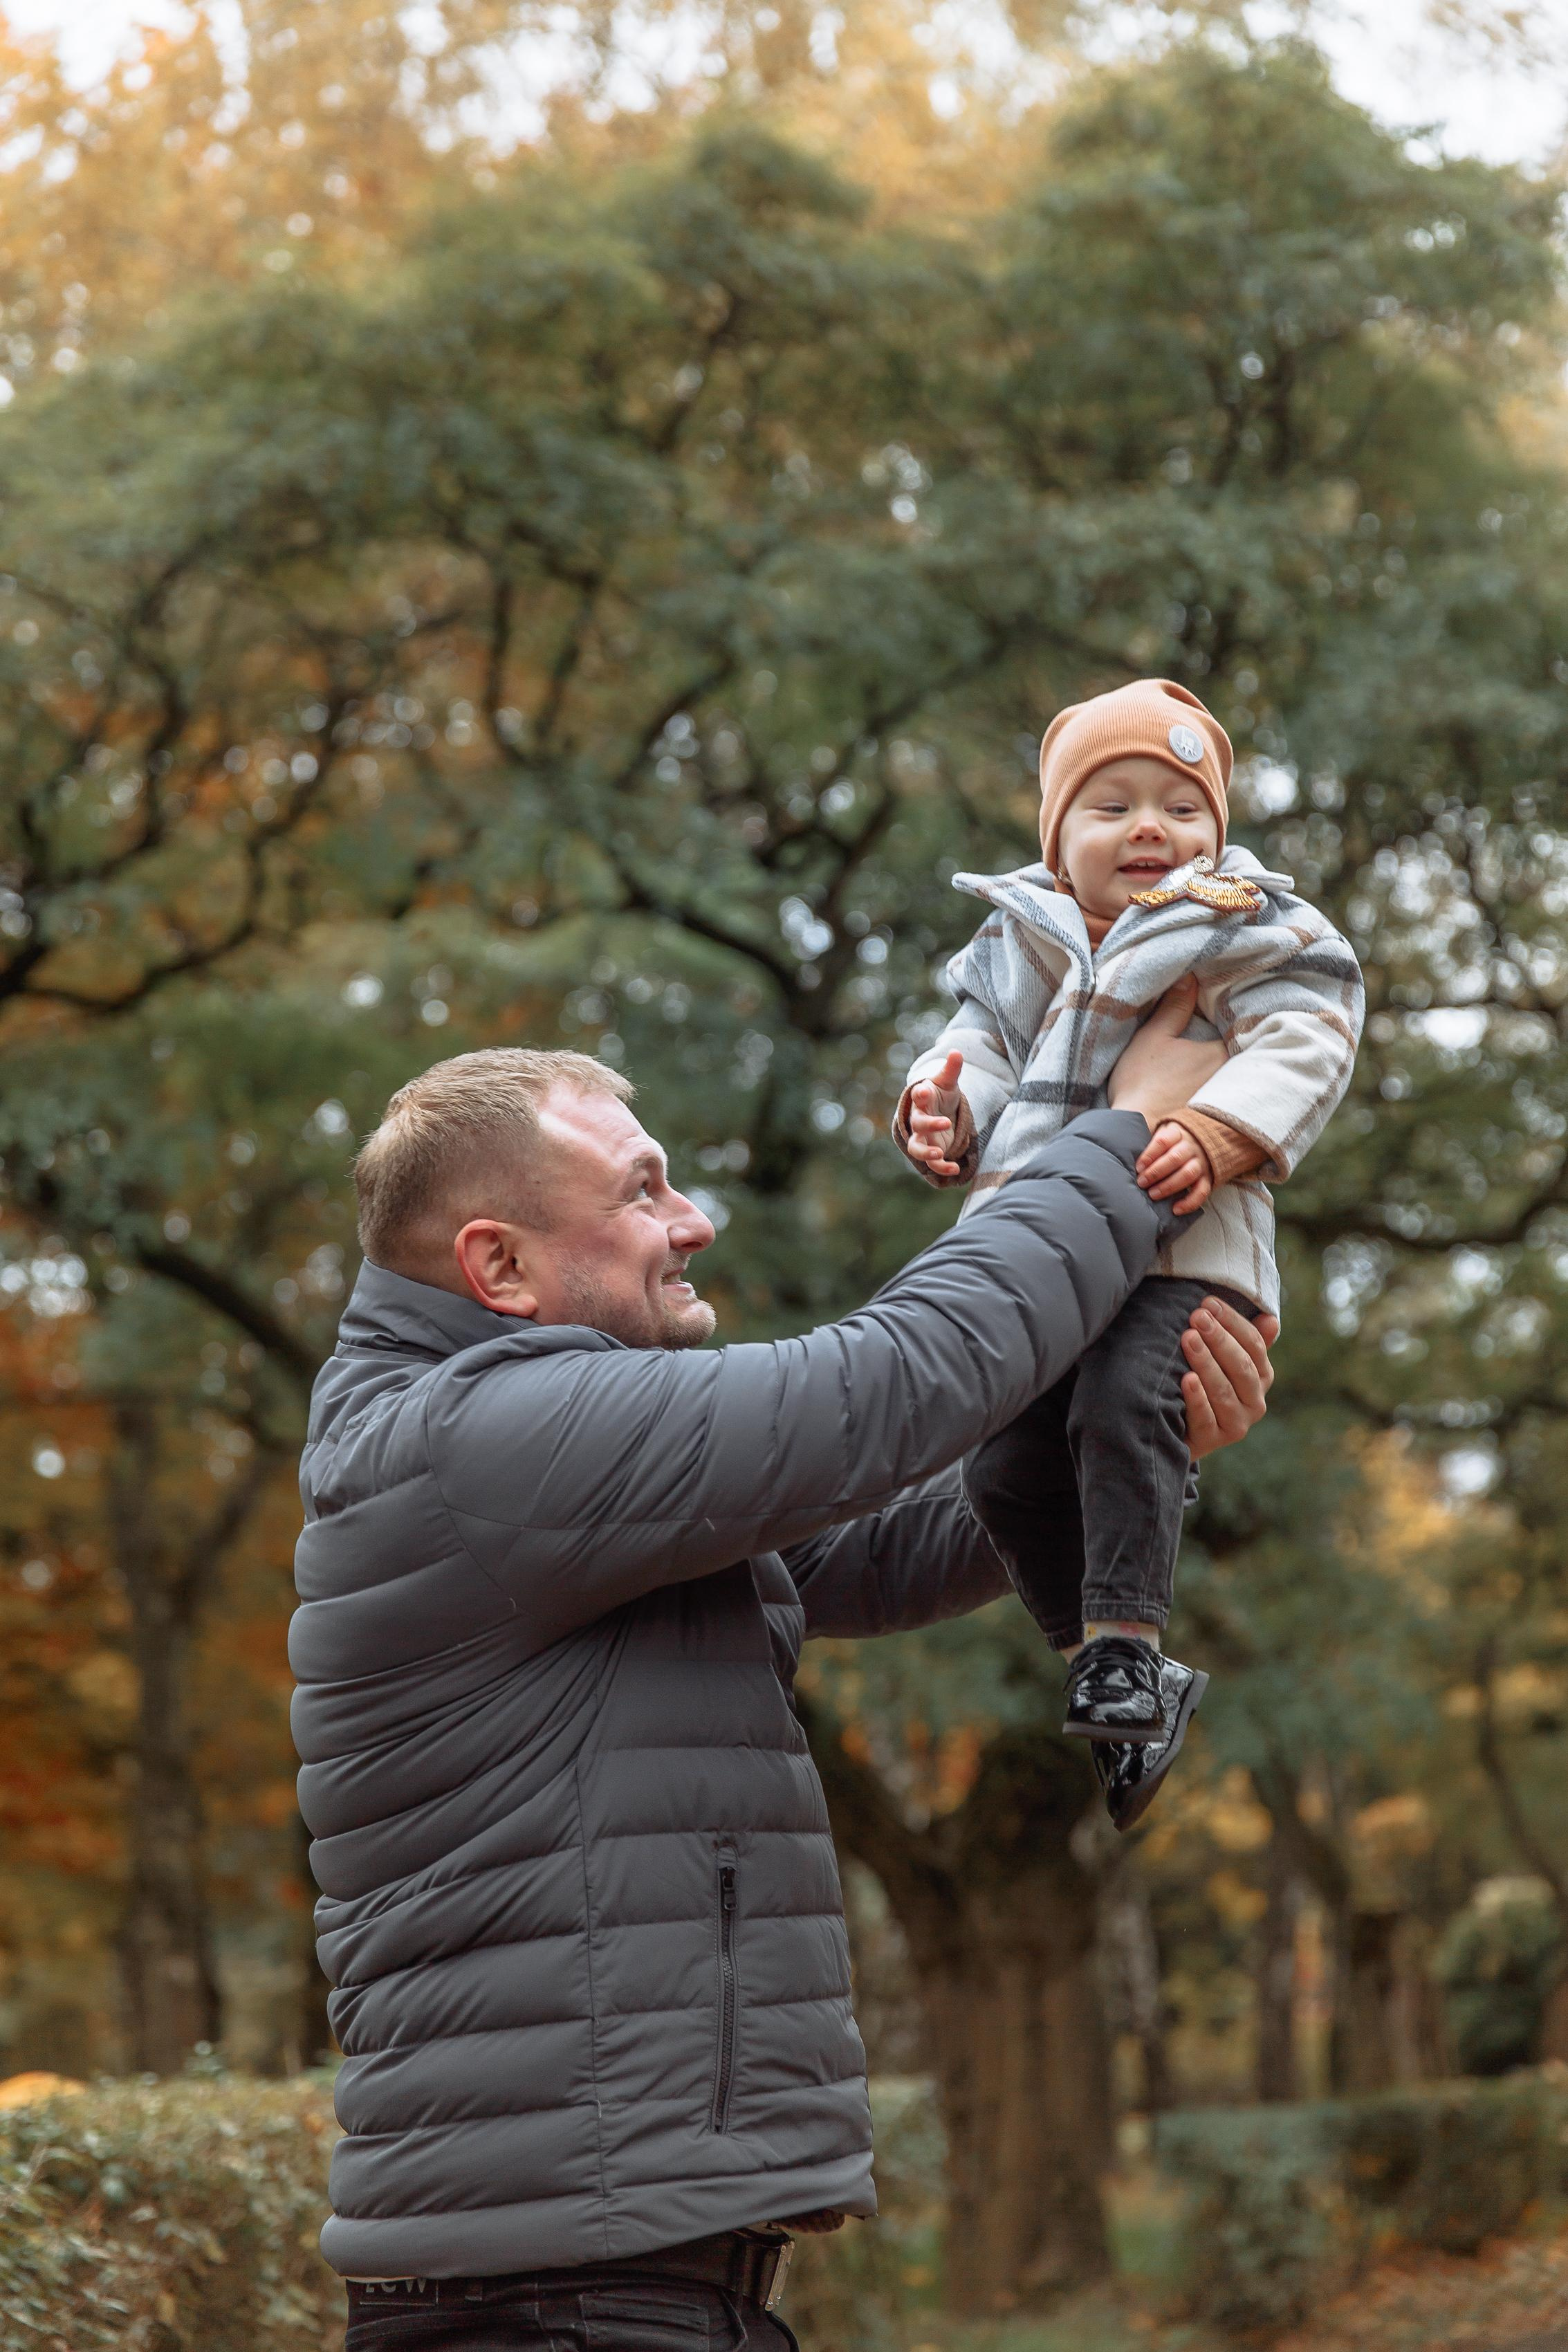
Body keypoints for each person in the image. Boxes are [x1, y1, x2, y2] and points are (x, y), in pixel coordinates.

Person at [290, 1020, 1275, 2351]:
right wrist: (1123, 1137)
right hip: (554, 2305)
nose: (693, 1222)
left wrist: (1128, 1444)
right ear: (499, 1266)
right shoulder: (479, 1442)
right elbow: (881, 1389)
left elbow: (887, 1536)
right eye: (642, 1191)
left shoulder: (539, 1465)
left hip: (598, 2287)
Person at [895, 677, 1363, 1826]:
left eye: (1180, 806)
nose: (1152, 827)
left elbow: (1310, 1029)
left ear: (1217, 831)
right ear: (1058, 847)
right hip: (1034, 1261)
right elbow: (976, 1050)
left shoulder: (1246, 917)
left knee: (1117, 1409)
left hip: (1180, 1253)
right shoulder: (1017, 937)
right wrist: (941, 1110)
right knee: (1001, 1469)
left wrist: (1216, 1126)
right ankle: (1112, 1675)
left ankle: (1125, 1638)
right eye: (1112, 806)